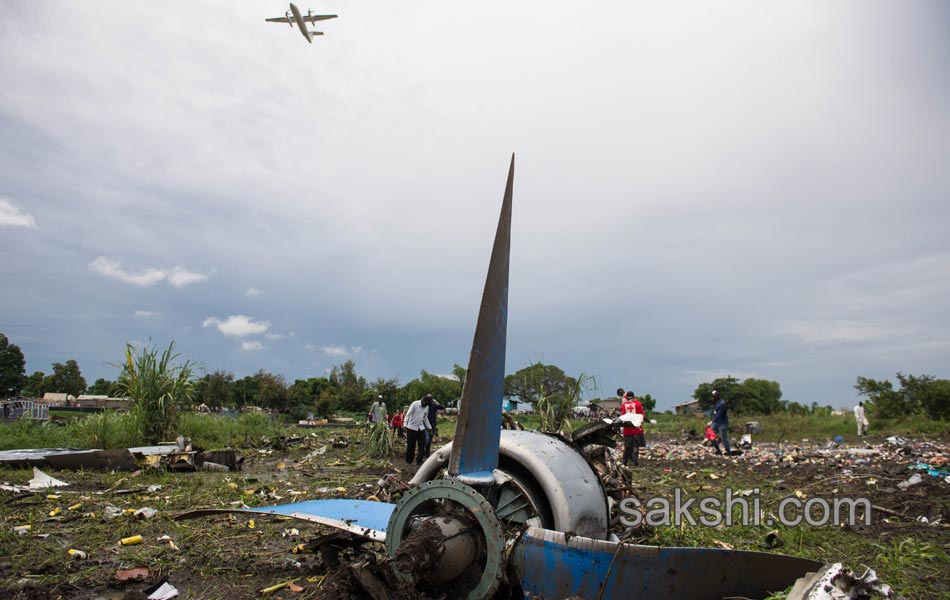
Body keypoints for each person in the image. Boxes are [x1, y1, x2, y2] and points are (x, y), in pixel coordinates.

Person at [619, 391, 645, 467]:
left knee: (627, 446)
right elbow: (642, 416)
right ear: (634, 396)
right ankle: (635, 459)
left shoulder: (624, 405)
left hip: (628, 429)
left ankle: (624, 462)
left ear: (627, 397)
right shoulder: (638, 404)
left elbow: (623, 417)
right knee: (635, 446)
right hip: (637, 429)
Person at [404, 395, 432, 465]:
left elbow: (425, 417)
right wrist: (404, 425)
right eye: (426, 404)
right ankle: (409, 461)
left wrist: (429, 427)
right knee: (411, 446)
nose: (426, 406)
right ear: (423, 401)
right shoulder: (415, 404)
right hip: (411, 428)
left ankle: (419, 460)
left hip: (421, 428)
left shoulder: (427, 407)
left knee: (422, 445)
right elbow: (407, 415)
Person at [421, 394, 445, 458]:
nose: (429, 401)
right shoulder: (424, 405)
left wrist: (437, 404)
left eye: (430, 400)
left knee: (430, 439)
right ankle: (424, 452)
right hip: (425, 424)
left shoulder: (434, 405)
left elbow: (442, 407)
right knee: (427, 439)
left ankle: (427, 453)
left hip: (433, 424)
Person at [709, 390, 732, 456]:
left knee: (723, 438)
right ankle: (718, 450)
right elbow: (715, 413)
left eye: (714, 396)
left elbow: (719, 414)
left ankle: (728, 451)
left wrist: (712, 421)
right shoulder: (716, 403)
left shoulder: (722, 403)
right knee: (711, 435)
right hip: (716, 423)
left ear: (717, 395)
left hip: (722, 423)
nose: (713, 397)